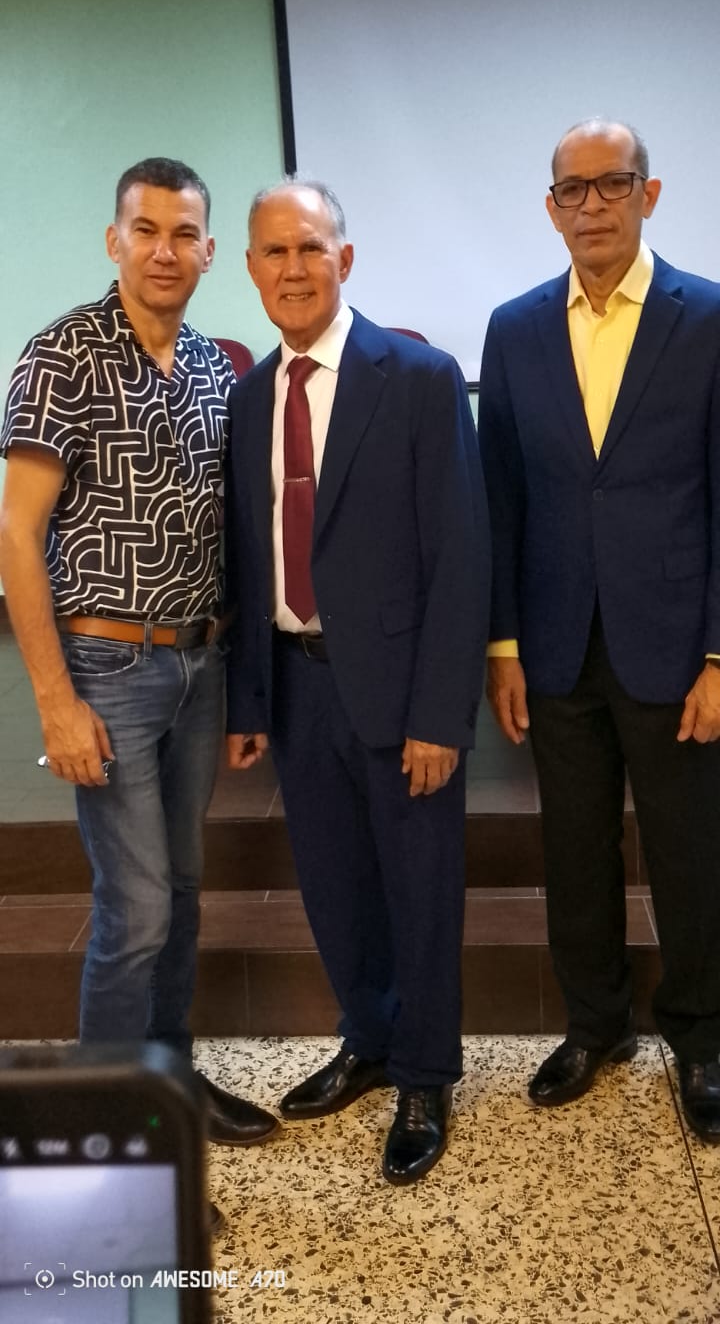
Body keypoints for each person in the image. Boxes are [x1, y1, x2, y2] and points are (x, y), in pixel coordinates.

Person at [0, 157, 278, 1158]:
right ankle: (103, 1130)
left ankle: (166, 1081)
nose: (166, 250)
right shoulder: (61, 355)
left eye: (184, 233)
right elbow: (16, 534)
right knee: (139, 907)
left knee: (183, 892)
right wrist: (55, 701)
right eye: (146, 230)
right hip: (106, 672)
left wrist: (241, 685)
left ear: (210, 251)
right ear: (114, 240)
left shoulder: (215, 367)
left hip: (200, 668)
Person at [225, 179, 489, 1185]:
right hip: (298, 689)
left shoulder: (419, 377)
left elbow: (461, 556)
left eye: (310, 248)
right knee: (336, 889)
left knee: (419, 890)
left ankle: (425, 1073)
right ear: (251, 268)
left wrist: (441, 713)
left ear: (345, 258)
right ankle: (369, 1040)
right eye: (274, 251)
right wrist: (251, 699)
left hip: (401, 688)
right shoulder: (251, 396)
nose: (293, 268)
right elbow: (249, 558)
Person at [478, 118, 720, 1142]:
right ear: (551, 209)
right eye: (571, 191)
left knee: (692, 850)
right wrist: (502, 646)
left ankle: (702, 1039)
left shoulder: (707, 317)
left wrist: (719, 653)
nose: (592, 206)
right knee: (573, 848)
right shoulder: (515, 328)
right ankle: (596, 1025)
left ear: (648, 194)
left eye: (611, 184)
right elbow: (501, 498)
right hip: (555, 641)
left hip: (676, 641)